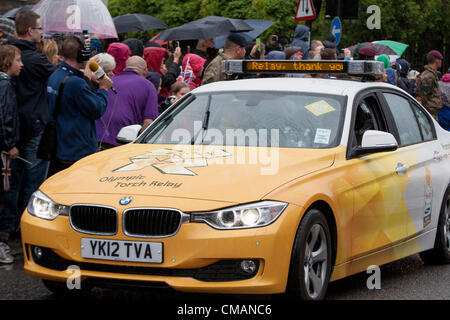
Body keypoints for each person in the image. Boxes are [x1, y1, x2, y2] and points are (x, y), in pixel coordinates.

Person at [3, 10, 56, 239]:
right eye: (40, 28)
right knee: (33, 180)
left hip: (15, 128)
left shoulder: (13, 53)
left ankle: (10, 228)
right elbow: (57, 78)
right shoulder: (35, 59)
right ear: (29, 31)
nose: (42, 32)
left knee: (13, 181)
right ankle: (27, 228)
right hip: (32, 126)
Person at [46, 36, 112, 176]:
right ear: (81, 55)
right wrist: (104, 89)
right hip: (76, 148)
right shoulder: (75, 83)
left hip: (62, 145)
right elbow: (97, 109)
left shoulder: (56, 75)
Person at [96, 56, 159, 150]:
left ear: (125, 68)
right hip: (122, 143)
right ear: (145, 70)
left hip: (97, 139)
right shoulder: (148, 86)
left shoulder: (109, 82)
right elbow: (149, 123)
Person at [0, 45, 23, 264]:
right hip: (4, 151)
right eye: (18, 60)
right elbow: (5, 115)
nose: (21, 64)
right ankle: (2, 241)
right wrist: (10, 143)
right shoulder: (5, 84)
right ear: (7, 61)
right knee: (6, 193)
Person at [417, 50, 444, 119]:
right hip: (429, 113)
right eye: (440, 59)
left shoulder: (431, 74)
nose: (441, 61)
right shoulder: (429, 76)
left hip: (431, 112)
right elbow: (425, 94)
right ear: (436, 60)